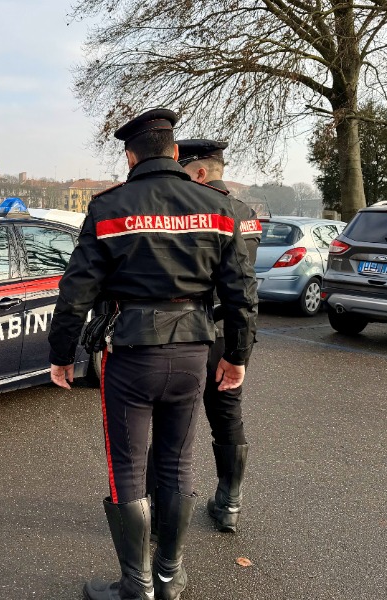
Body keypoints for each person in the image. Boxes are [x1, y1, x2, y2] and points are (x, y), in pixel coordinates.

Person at [48, 109, 257, 600]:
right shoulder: (218, 206)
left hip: (132, 354)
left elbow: (75, 291)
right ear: (177, 154)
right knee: (177, 462)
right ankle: (170, 576)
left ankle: (136, 585)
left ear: (129, 156)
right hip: (194, 352)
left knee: (128, 465)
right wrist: (239, 354)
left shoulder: (108, 207)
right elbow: (241, 291)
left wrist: (62, 354)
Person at [175, 139, 261, 532]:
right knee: (227, 414)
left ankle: (167, 508)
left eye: (182, 172)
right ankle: (229, 502)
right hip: (230, 332)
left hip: (190, 327)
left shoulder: (191, 210)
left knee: (175, 416)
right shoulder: (245, 213)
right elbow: (245, 281)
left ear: (200, 173)